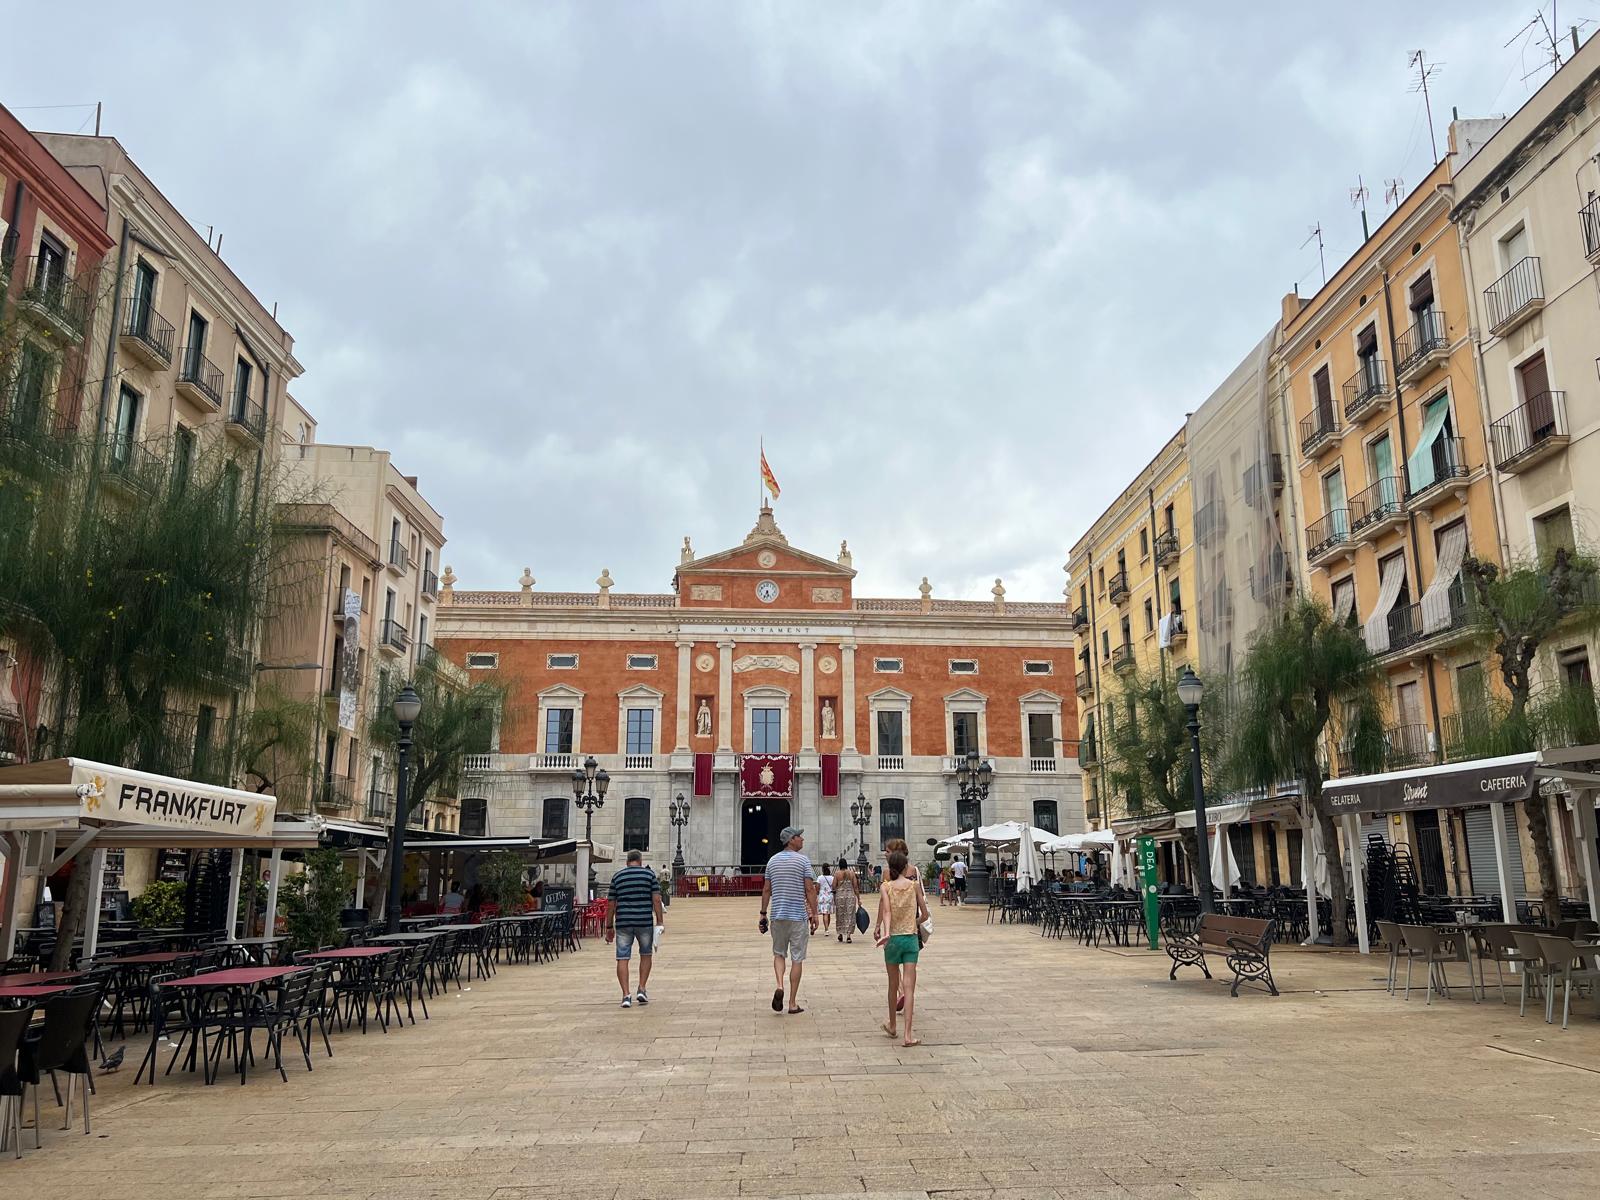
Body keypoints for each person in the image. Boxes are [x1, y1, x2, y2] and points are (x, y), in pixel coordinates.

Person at [760, 827, 818, 1014]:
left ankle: (779, 985)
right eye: (799, 836)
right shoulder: (803, 861)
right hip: (797, 916)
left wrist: (762, 913)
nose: (802, 839)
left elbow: (766, 890)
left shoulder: (772, 861)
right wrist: (814, 913)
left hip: (777, 915)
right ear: (791, 840)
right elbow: (810, 889)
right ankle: (792, 1003)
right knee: (797, 958)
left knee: (778, 954)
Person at [874, 848, 929, 1048]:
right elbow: (925, 913)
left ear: (890, 868)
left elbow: (886, 911)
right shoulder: (914, 886)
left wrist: (886, 931)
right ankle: (908, 1034)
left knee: (892, 985)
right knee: (909, 987)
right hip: (910, 939)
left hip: (893, 940)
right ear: (906, 867)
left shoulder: (885, 887)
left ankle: (892, 1025)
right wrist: (914, 922)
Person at [605, 849, 663, 1008]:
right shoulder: (649, 875)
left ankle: (625, 995)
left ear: (627, 862)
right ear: (641, 860)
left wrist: (609, 926)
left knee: (622, 958)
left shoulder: (617, 876)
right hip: (644, 921)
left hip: (623, 922)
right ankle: (642, 989)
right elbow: (656, 900)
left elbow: (611, 904)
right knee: (646, 954)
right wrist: (659, 921)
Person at [833, 857, 860, 944]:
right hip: (850, 896)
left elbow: (833, 886)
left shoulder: (837, 874)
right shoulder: (851, 873)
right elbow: (855, 887)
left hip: (840, 896)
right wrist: (859, 898)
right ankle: (848, 935)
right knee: (850, 915)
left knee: (840, 915)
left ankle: (840, 933)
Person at [816, 863, 834, 933]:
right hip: (830, 896)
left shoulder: (820, 878)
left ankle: (826, 929)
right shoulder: (832, 878)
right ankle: (827, 928)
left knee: (824, 913)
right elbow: (834, 886)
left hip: (822, 896)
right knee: (828, 913)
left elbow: (817, 888)